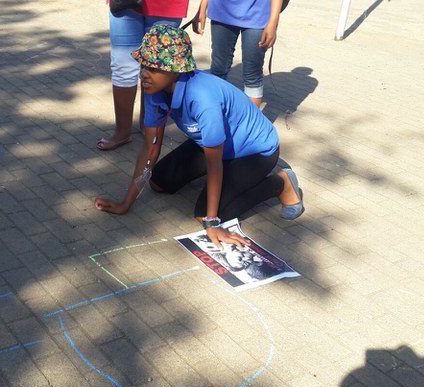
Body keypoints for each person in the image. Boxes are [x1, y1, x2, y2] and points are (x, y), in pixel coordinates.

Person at [94, 24, 304, 249]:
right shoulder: (154, 89)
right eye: (143, 65)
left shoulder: (204, 99)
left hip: (256, 152)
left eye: (154, 68)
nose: (144, 73)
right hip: (215, 145)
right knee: (157, 182)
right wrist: (126, 203)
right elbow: (150, 148)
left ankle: (280, 184)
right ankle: (227, 187)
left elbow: (215, 164)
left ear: (177, 69)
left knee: (205, 216)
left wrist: (212, 222)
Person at [97, 0, 190, 151]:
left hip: (167, 5)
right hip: (124, 4)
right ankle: (122, 132)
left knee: (157, 68)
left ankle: (150, 125)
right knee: (122, 66)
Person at [190, 0, 283, 108]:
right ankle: (215, 118)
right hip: (221, 13)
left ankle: (250, 123)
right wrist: (202, 9)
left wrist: (273, 22)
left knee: (252, 76)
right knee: (218, 70)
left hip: (257, 16)